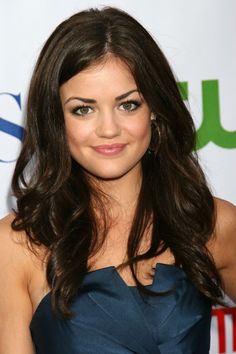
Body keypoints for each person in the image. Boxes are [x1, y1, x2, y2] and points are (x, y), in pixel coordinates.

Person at [0, 6, 235, 354]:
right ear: (55, 119)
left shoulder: (213, 223)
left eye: (128, 105)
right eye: (84, 108)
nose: (109, 129)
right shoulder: (16, 246)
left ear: (155, 110)